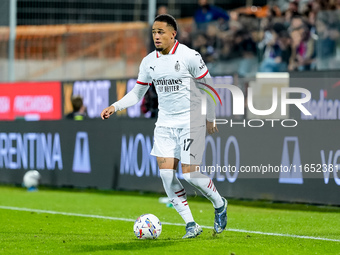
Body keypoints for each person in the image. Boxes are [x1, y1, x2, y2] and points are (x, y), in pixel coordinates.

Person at [101, 14, 227, 239]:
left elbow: (209, 87)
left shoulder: (190, 56)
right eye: (153, 32)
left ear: (173, 34)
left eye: (160, 32)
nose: (156, 36)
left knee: (189, 174)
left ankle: (219, 203)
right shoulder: (149, 61)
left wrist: (211, 117)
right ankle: (191, 224)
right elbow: (138, 92)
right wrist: (116, 106)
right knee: (167, 176)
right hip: (165, 124)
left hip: (191, 120)